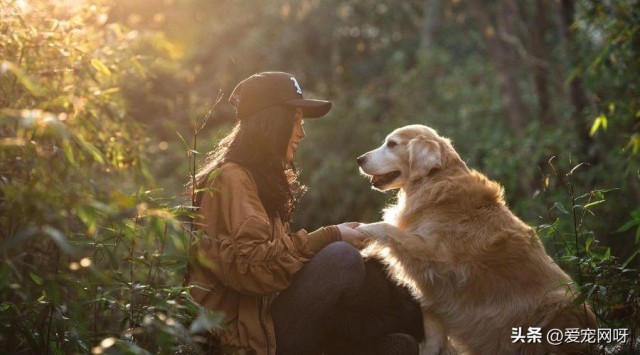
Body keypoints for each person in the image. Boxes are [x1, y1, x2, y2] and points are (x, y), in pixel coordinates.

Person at [186, 72, 423, 354]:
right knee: (341, 258)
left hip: (269, 325)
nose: (301, 132)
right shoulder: (231, 179)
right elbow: (253, 270)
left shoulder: (261, 179)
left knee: (398, 346)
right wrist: (329, 236)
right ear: (271, 122)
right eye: (296, 121)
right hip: (245, 344)